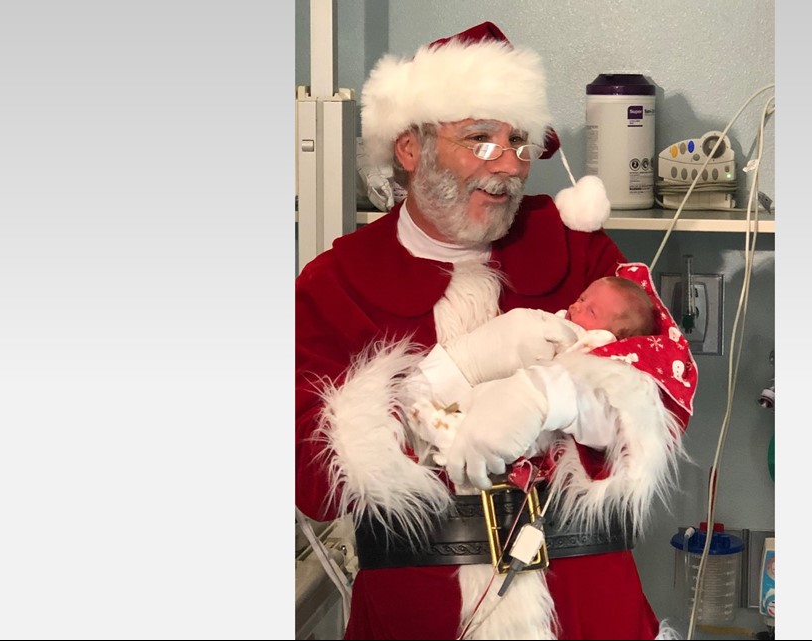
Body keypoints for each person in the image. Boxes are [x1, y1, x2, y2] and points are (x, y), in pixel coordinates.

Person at [295, 21, 699, 640]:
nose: (509, 165)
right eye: (481, 139)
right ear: (411, 148)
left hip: (589, 611)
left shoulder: (577, 251)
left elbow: (664, 399)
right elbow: (314, 480)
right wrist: (449, 372)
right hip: (419, 614)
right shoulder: (334, 283)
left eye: (518, 140)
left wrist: (554, 396)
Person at [407, 275, 658, 460]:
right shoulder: (561, 321)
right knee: (483, 399)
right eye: (581, 298)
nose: (576, 306)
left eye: (590, 311)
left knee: (518, 434)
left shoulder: (599, 344)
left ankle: (450, 434)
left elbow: (578, 378)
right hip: (501, 385)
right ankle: (445, 422)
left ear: (616, 334)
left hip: (541, 422)